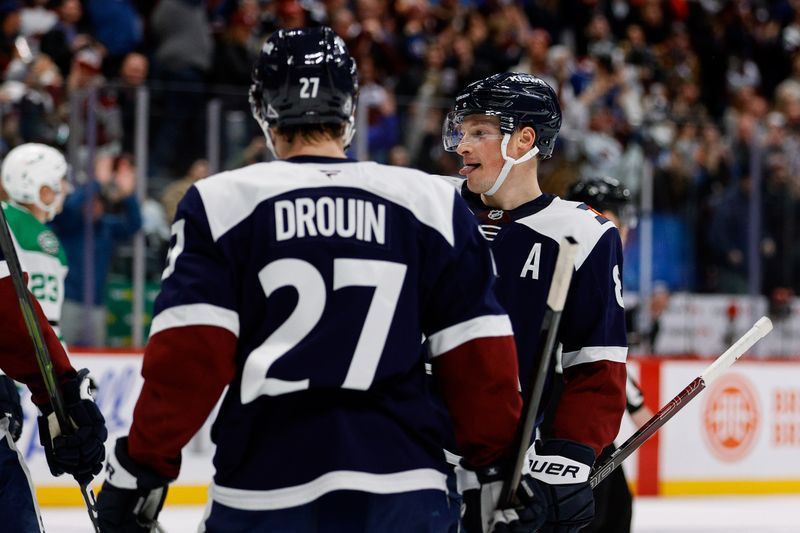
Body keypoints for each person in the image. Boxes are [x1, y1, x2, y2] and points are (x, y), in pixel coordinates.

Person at [95, 26, 540, 533]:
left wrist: (142, 467)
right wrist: (496, 470)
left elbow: (189, 357)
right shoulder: (431, 201)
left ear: (263, 110)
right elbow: (478, 357)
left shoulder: (222, 202)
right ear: (350, 110)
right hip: (405, 491)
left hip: (265, 489)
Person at [440, 72, 628, 532]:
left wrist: (567, 456)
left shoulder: (585, 235)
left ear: (524, 140)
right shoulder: (426, 208)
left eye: (480, 132)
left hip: (497, 476)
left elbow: (596, 366)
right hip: (401, 456)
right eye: (461, 131)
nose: (462, 145)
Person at [0, 142, 108, 532]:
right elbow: (22, 317)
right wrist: (60, 391)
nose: (61, 188)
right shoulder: (41, 238)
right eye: (55, 182)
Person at [562, 176, 655, 533]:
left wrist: (632, 399)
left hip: (583, 414)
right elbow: (585, 345)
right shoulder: (581, 258)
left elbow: (601, 346)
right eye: (620, 217)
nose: (626, 229)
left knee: (615, 507)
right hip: (566, 416)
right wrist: (634, 401)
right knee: (600, 515)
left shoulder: (594, 257)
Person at [50, 152, 142, 347]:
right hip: (69, 302)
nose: (94, 206)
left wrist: (128, 196)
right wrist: (96, 183)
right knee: (61, 352)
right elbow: (68, 209)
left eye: (98, 202)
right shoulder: (70, 225)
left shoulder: (107, 226)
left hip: (96, 305)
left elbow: (134, 225)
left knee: (94, 356)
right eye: (90, 202)